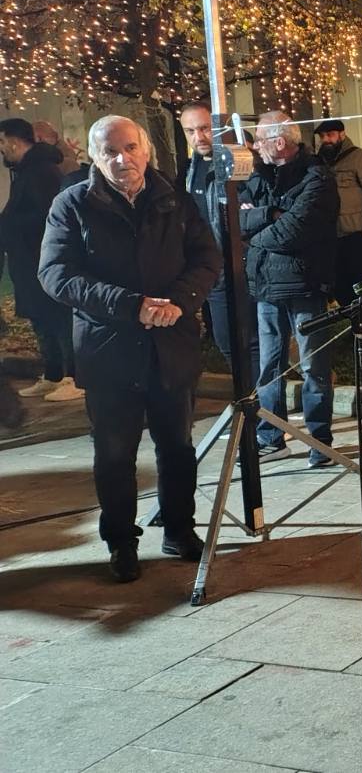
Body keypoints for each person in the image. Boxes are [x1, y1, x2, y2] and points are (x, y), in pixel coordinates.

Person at [38, 115, 221, 582]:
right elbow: (55, 273)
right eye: (110, 152)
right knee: (115, 454)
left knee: (177, 447)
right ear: (94, 157)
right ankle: (121, 541)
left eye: (130, 148)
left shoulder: (174, 198)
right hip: (109, 351)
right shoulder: (72, 204)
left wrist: (179, 302)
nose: (123, 160)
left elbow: (206, 258)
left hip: (171, 347)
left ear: (146, 150)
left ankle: (179, 528)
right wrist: (129, 305)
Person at [240, 110, 339, 467]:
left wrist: (255, 233)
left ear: (279, 143)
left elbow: (294, 231)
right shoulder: (258, 176)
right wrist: (269, 214)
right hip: (266, 285)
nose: (255, 147)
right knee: (269, 366)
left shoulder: (317, 178)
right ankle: (271, 437)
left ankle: (320, 441)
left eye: (259, 139)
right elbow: (237, 220)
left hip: (304, 285)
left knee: (313, 364)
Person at [1, 118, 81, 401]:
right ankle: (53, 373)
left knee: (58, 317)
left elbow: (49, 215)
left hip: (42, 258)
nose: (1, 149)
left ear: (14, 141)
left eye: (2, 142)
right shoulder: (25, 172)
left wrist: (9, 224)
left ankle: (75, 377)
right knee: (41, 318)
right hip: (27, 260)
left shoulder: (41, 172)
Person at [179, 102, 260, 377]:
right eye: (190, 131)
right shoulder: (190, 169)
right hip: (212, 268)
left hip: (242, 264)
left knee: (252, 341)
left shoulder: (239, 161)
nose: (198, 137)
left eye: (204, 128)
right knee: (226, 341)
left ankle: (262, 397)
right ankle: (248, 393)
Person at [315, 119, 362, 307]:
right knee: (342, 290)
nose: (326, 140)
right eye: (322, 136)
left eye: (330, 135)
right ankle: (354, 321)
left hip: (358, 238)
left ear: (342, 134)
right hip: (332, 239)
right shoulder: (320, 162)